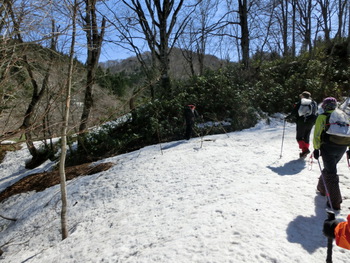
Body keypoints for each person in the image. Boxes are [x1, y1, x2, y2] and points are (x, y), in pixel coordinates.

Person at [313, 97, 348, 210]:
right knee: (330, 167)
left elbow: (317, 134)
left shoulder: (322, 117)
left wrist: (316, 148)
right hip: (342, 147)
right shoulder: (343, 116)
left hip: (328, 146)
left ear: (324, 106)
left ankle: (335, 201)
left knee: (331, 172)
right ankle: (322, 188)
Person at [286, 91, 318, 158]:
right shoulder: (314, 102)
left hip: (302, 121)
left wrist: (288, 117)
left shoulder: (301, 102)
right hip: (311, 122)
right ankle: (304, 152)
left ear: (303, 96)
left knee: (299, 137)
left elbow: (294, 112)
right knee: (306, 136)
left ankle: (305, 150)